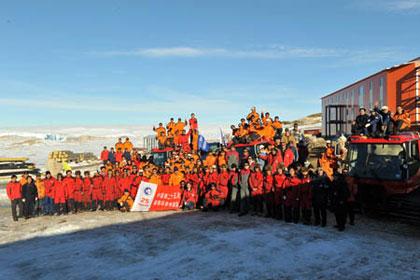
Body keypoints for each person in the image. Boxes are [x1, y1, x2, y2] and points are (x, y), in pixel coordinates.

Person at [331, 167, 350, 231]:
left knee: (342, 213)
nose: (334, 177)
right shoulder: (334, 182)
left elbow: (345, 192)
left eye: (334, 176)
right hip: (336, 199)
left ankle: (342, 225)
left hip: (341, 200)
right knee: (337, 213)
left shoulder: (342, 182)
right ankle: (339, 224)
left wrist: (342, 200)